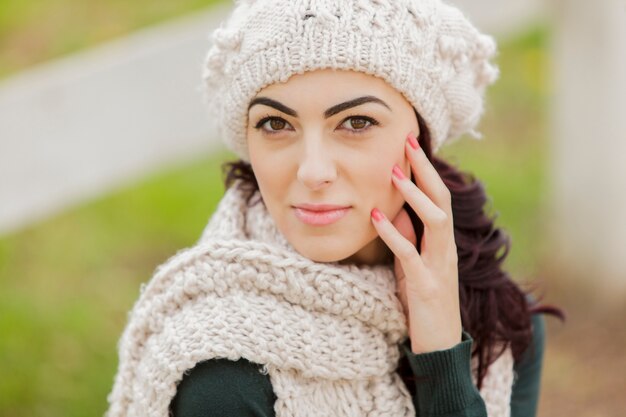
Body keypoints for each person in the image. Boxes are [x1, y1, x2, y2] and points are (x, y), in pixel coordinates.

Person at [105, 0, 564, 416]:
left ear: (421, 140)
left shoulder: (499, 326)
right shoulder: (225, 373)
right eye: (275, 123)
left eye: (356, 122)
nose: (313, 171)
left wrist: (441, 350)